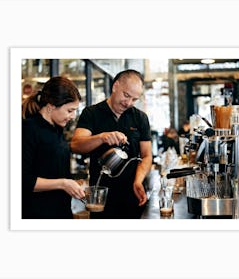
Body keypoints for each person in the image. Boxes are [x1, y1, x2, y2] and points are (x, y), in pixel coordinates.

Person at [71, 69, 153, 219]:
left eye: (134, 99)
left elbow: (147, 155)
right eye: (126, 95)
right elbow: (76, 145)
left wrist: (138, 180)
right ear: (115, 86)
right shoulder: (92, 113)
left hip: (132, 193)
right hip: (100, 196)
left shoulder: (140, 118)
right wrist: (101, 137)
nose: (128, 103)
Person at [22, 76, 85, 219]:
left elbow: (52, 169)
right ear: (51, 107)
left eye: (75, 110)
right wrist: (63, 184)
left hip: (60, 211)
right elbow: (23, 180)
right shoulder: (28, 129)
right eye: (70, 110)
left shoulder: (57, 129)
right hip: (37, 215)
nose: (73, 116)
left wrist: (74, 184)